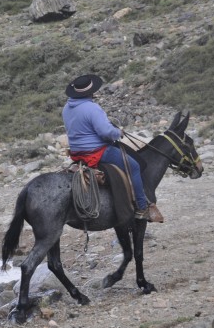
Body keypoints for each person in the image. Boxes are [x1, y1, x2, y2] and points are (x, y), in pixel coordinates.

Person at [62, 74, 164, 223]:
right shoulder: (92, 108)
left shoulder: (66, 108)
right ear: (90, 92)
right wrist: (117, 132)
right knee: (134, 166)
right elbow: (105, 133)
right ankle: (142, 208)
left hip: (77, 153)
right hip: (97, 152)